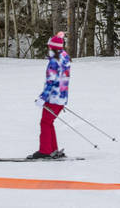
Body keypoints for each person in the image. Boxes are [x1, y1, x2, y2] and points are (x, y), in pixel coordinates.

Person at [28, 31, 70, 160]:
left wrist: (42, 97)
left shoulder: (54, 62)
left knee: (45, 122)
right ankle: (52, 149)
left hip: (53, 98)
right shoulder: (65, 58)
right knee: (49, 122)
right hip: (62, 97)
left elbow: (50, 82)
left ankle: (45, 151)